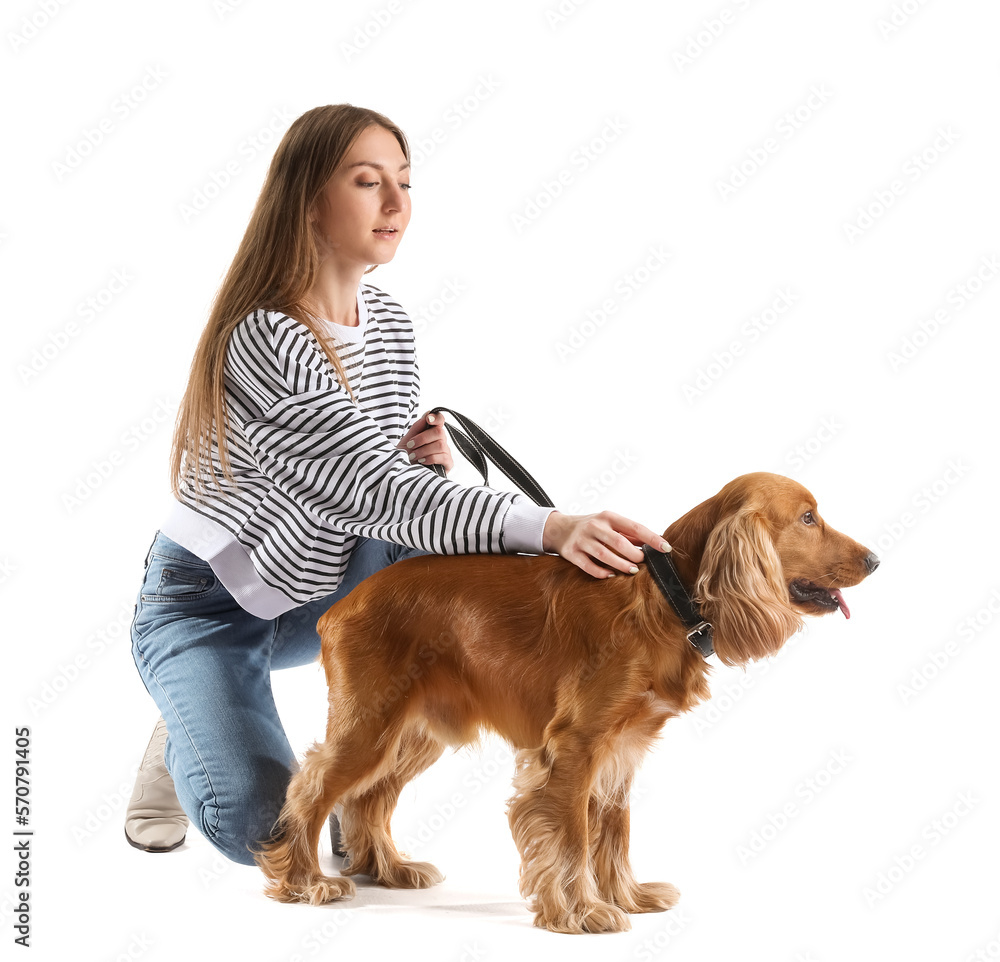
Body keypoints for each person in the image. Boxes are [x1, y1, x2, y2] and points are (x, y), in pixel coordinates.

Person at [125, 103, 671, 864]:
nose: (395, 205)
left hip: (317, 590)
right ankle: (188, 718)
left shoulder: (386, 318)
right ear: (308, 200)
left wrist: (429, 465)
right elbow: (369, 492)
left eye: (405, 183)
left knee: (445, 587)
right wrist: (551, 526)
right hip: (208, 605)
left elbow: (379, 486)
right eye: (367, 182)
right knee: (268, 835)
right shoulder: (265, 334)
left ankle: (294, 756)